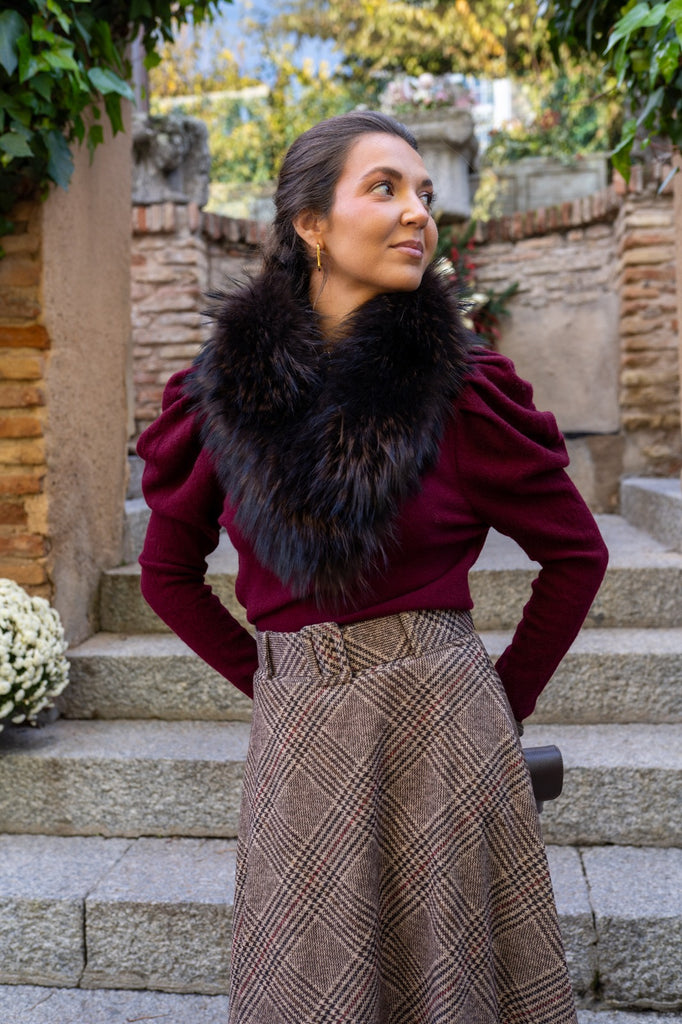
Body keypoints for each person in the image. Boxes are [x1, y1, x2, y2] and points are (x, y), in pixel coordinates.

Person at [137, 110, 608, 1024]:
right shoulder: (221, 397)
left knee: (451, 992)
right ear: (311, 223)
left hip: (447, 735)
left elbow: (576, 553)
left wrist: (496, 702)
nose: (417, 213)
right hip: (299, 740)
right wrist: (275, 683)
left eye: (423, 193)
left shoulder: (461, 390)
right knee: (309, 990)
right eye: (384, 189)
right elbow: (166, 574)